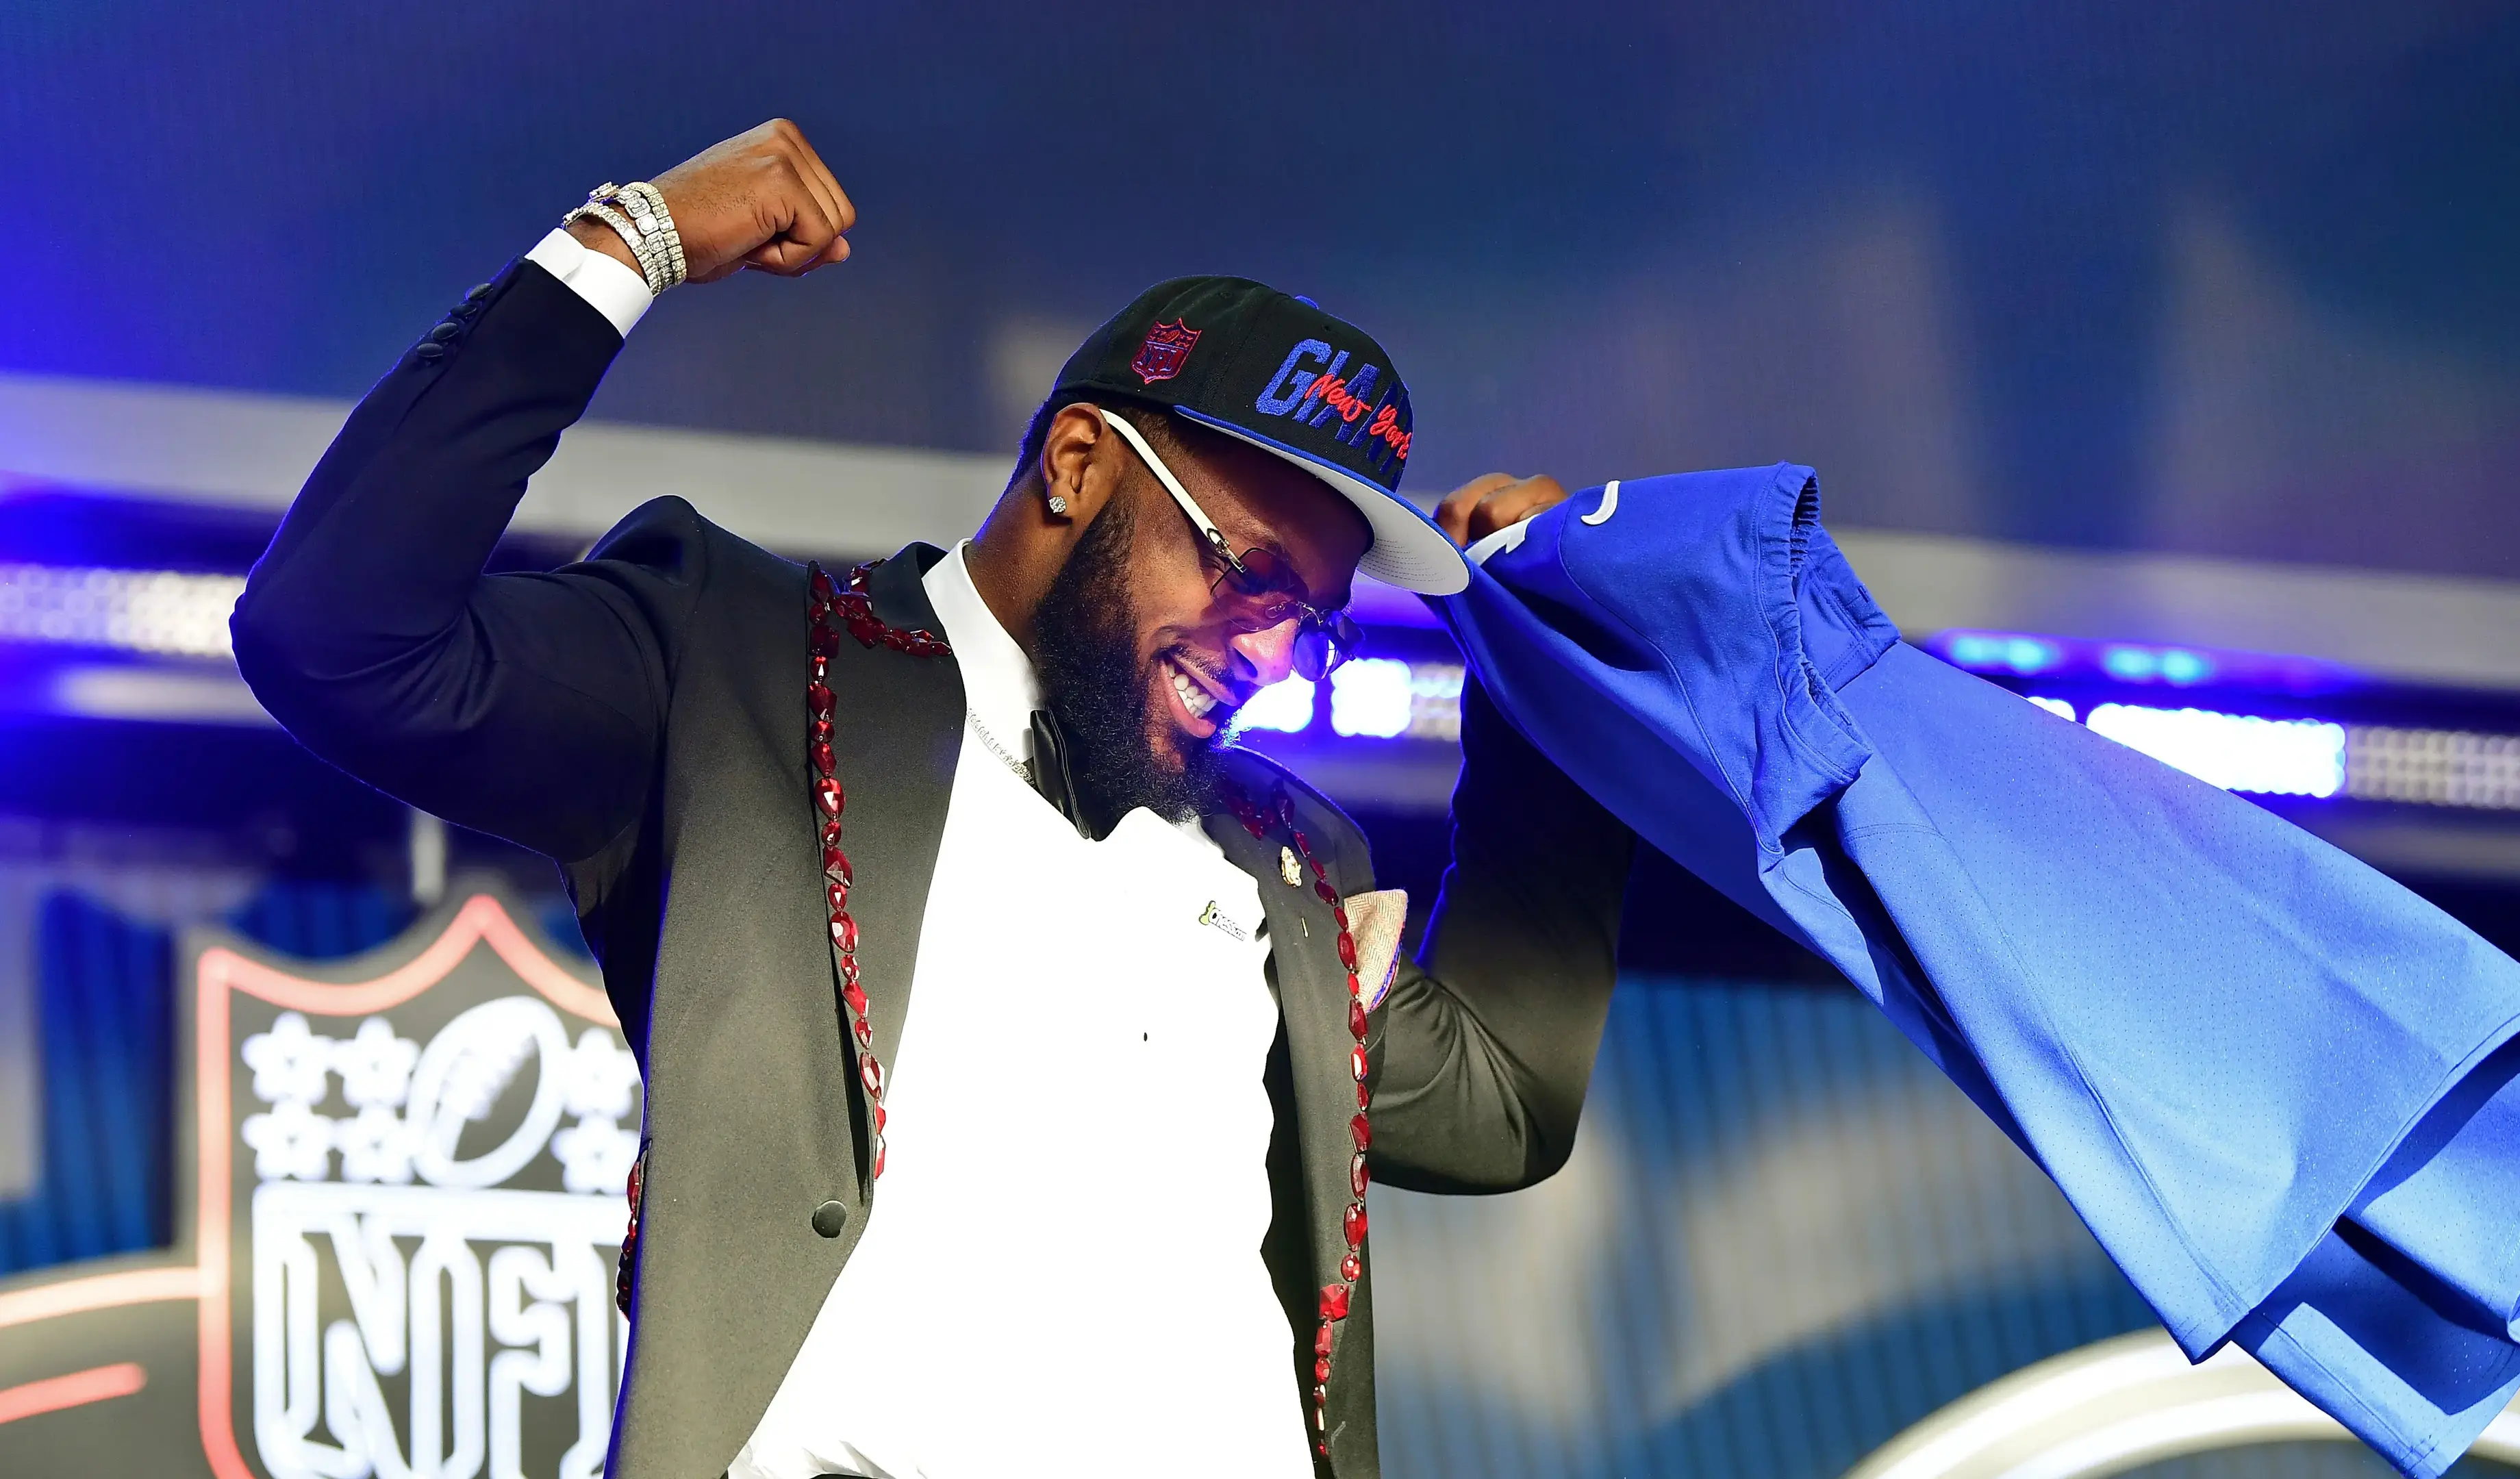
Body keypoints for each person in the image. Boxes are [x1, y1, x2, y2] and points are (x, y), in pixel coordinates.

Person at [233, 120, 1637, 1479]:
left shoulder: (1283, 854)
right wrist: (625, 248)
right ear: (1079, 466)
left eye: (1313, 619)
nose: (1274, 650)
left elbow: (1503, 1101)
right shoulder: (741, 676)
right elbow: (338, 640)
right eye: (1244, 569)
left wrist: (1556, 670)